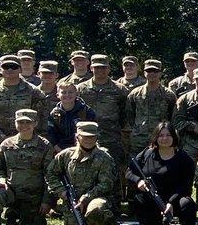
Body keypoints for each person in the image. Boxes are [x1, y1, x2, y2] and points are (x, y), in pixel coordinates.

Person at [46, 120, 116, 225]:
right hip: (72, 201)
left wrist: (86, 198)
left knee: (96, 210)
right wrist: (61, 192)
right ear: (77, 137)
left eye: (92, 136)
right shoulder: (66, 155)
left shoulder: (104, 157)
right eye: (85, 136)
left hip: (96, 198)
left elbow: (106, 184)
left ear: (97, 137)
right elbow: (50, 174)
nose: (89, 139)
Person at [127, 121, 198, 225]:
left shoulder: (184, 158)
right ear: (155, 137)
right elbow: (129, 171)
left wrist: (170, 202)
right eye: (161, 135)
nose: (164, 138)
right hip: (152, 199)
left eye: (168, 135)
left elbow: (185, 185)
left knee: (187, 204)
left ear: (174, 137)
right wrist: (139, 181)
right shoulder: (146, 154)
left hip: (176, 198)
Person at [79, 55, 130, 203]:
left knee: (114, 170)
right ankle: (86, 201)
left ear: (109, 68)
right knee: (86, 171)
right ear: (91, 68)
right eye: (97, 67)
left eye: (103, 67)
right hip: (86, 138)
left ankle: (115, 202)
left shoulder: (120, 89)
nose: (100, 70)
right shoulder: (81, 89)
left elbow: (125, 114)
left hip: (112, 138)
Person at [0, 54, 45, 153]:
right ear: (0, 70)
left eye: (14, 67)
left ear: (20, 70)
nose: (10, 70)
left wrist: (25, 136)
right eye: (6, 67)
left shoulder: (34, 93)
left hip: (29, 145)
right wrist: (2, 137)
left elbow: (41, 118)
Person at [125, 60, 177, 153]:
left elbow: (173, 117)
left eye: (155, 71)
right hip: (139, 140)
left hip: (161, 140)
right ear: (144, 73)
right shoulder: (135, 94)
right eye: (149, 71)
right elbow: (129, 115)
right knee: (137, 166)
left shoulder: (169, 95)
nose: (152, 74)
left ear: (160, 73)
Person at [47, 81, 96, 152]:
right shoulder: (54, 114)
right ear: (57, 95)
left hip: (83, 149)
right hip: (60, 151)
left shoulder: (86, 111)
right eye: (63, 92)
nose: (67, 95)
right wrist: (62, 153)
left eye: (70, 92)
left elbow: (92, 134)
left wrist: (80, 151)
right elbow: (52, 137)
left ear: (76, 94)